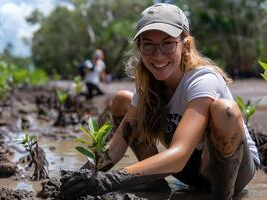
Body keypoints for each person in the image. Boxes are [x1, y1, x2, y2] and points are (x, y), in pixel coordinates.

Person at [60, 3, 260, 200]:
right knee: (122, 100)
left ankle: (222, 196)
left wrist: (110, 180)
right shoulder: (149, 86)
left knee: (224, 110)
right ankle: (153, 183)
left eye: (168, 43)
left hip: (230, 172)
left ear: (186, 45)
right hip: (188, 171)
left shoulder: (203, 80)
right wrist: (81, 178)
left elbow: (179, 154)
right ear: (140, 48)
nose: (158, 55)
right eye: (148, 44)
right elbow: (116, 147)